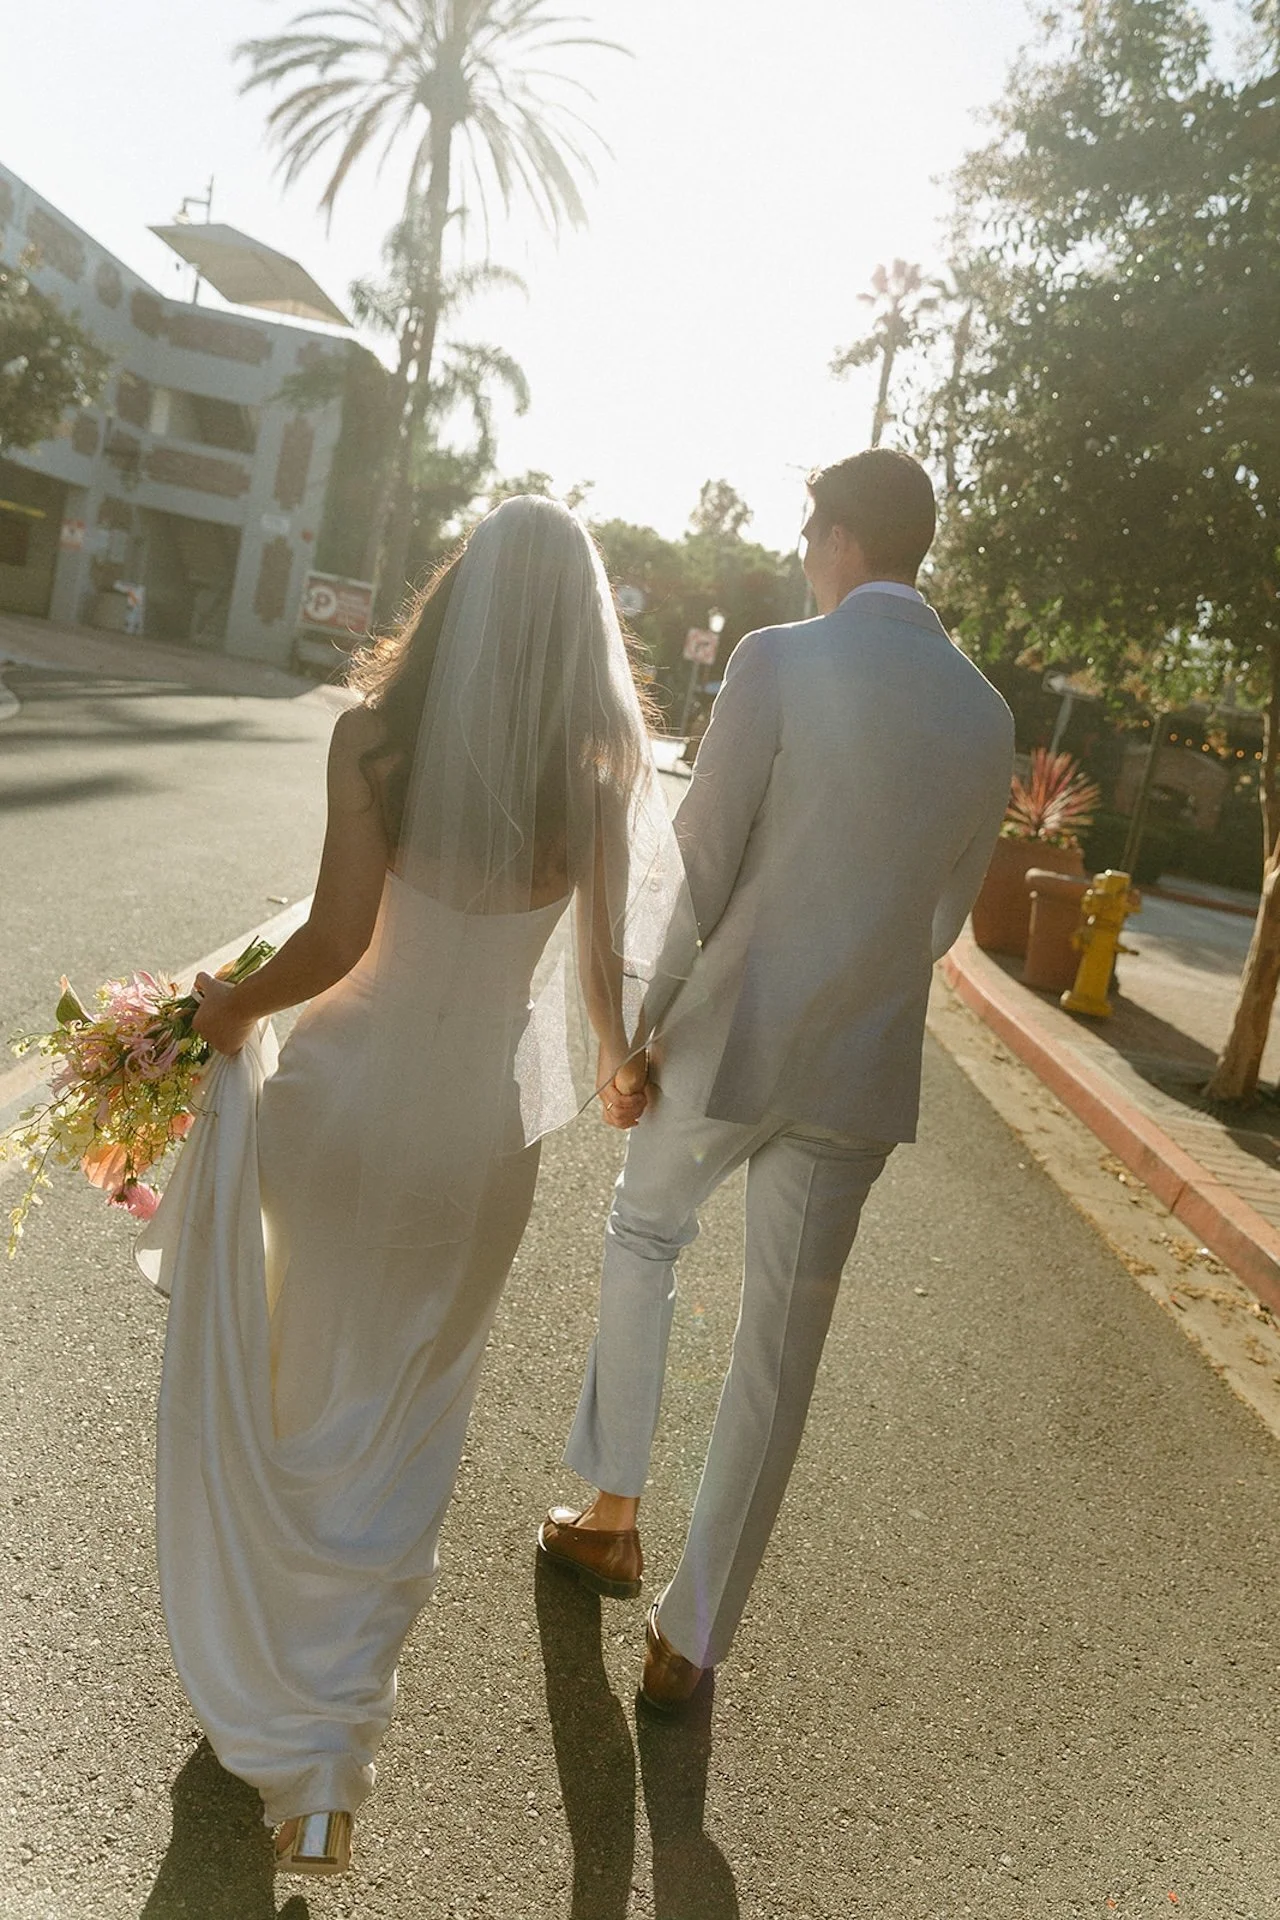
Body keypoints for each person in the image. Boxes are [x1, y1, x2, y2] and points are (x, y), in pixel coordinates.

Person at [137, 496, 694, 1875]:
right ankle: (325, 1770)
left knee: (295, 1391)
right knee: (404, 1425)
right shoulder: (598, 777)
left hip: (340, 1106)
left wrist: (217, 1010)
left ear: (456, 598)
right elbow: (603, 970)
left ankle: (266, 1702)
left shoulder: (373, 743)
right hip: (475, 1141)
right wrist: (625, 1070)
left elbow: (332, 942)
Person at [539, 449, 1015, 1710]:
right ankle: (692, 1642)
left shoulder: (778, 660)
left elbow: (702, 864)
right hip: (857, 1068)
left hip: (726, 1037)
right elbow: (943, 922)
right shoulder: (986, 717)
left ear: (841, 537)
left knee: (643, 1232)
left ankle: (609, 1511)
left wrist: (638, 1031)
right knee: (778, 1349)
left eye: (811, 532)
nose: (805, 553)